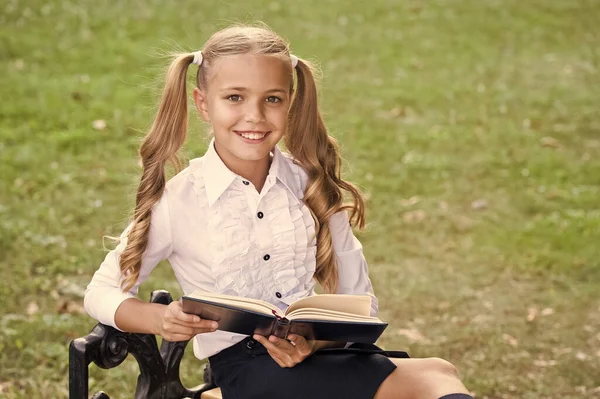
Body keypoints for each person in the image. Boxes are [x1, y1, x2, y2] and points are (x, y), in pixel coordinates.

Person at [84, 23, 472, 399]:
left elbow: (362, 301)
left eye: (272, 99)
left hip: (322, 357)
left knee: (439, 373)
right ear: (203, 104)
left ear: (290, 103)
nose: (254, 115)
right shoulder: (180, 200)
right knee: (433, 378)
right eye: (234, 98)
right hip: (247, 369)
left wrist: (313, 342)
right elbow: (101, 291)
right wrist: (160, 321)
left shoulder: (312, 186)